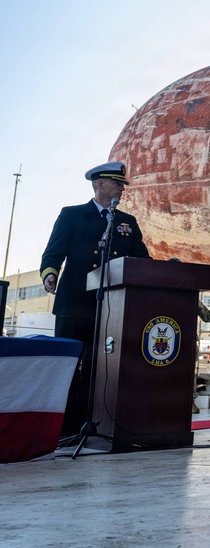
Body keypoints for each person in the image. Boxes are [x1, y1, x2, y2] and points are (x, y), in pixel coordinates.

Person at [39, 161, 150, 438]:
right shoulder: (72, 215)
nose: (123, 189)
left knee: (98, 369)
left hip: (113, 308)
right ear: (100, 184)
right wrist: (49, 274)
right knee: (68, 367)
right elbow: (53, 253)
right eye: (117, 183)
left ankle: (91, 424)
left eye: (123, 184)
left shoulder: (127, 222)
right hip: (75, 304)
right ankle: (63, 429)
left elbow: (141, 259)